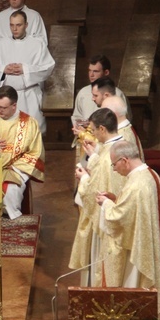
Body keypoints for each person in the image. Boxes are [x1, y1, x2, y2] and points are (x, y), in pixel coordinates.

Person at [96, 141, 160, 320]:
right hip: (145, 247)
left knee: (137, 303)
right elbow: (132, 212)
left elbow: (119, 219)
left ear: (124, 160)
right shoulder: (149, 175)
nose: (115, 169)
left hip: (137, 257)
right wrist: (116, 199)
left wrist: (105, 204)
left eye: (115, 165)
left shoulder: (136, 185)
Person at [69, 108, 126, 287]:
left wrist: (83, 178)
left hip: (105, 220)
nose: (92, 134)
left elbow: (96, 190)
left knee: (99, 262)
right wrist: (94, 156)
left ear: (102, 129)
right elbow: (105, 177)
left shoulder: (111, 154)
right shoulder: (118, 145)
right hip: (113, 213)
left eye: (93, 130)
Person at [0, 85, 44, 219]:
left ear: (14, 105)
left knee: (11, 190)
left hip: (15, 168)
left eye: (3, 107)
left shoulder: (29, 123)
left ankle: (11, 222)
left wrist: (13, 168)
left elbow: (35, 153)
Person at [0, 10, 55, 133]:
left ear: (26, 25)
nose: (15, 29)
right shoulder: (2, 44)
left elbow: (48, 67)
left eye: (18, 25)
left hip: (28, 96)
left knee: (30, 133)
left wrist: (25, 69)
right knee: (4, 133)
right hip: (6, 98)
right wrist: (3, 69)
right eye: (12, 25)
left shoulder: (37, 44)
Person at [71, 55, 130, 124]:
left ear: (106, 73)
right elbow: (77, 116)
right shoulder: (83, 93)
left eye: (95, 71)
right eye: (89, 71)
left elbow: (125, 120)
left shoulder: (117, 94)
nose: (91, 75)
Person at [100, 95, 143, 160]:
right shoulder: (126, 128)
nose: (101, 116)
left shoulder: (120, 138)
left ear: (113, 114)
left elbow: (111, 166)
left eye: (103, 112)